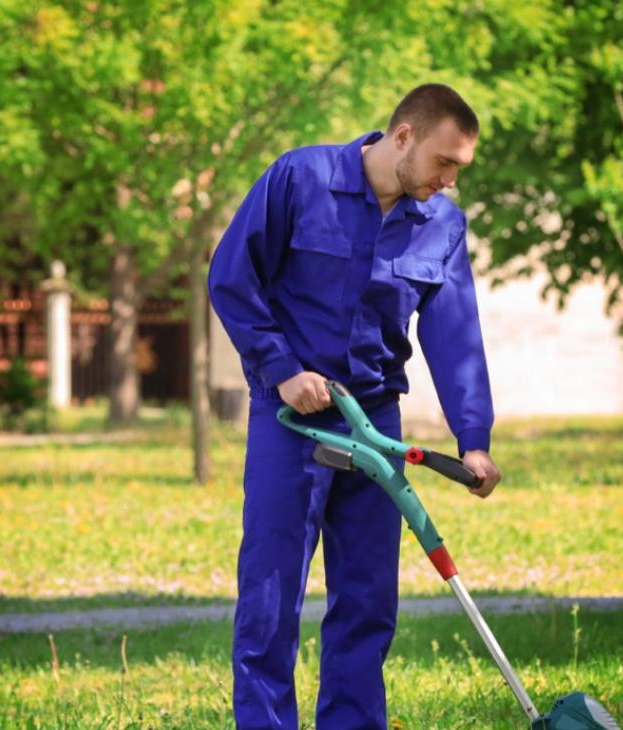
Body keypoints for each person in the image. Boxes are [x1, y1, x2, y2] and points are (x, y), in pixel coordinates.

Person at [207, 83, 502, 729]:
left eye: (459, 168)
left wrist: (473, 438)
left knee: (368, 601)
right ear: (403, 137)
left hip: (378, 423)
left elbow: (454, 336)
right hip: (292, 421)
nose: (449, 181)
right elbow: (231, 277)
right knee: (271, 592)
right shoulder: (300, 177)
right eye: (442, 162)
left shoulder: (442, 224)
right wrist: (281, 370)